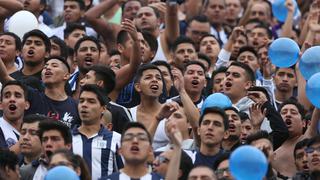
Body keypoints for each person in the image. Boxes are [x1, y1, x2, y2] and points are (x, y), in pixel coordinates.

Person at [72, 84, 122, 180]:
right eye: (81, 101)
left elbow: (123, 172)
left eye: (91, 101)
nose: (84, 105)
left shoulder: (116, 139)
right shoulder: (67, 138)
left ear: (103, 108)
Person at [79, 65, 133, 133]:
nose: (81, 81)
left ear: (99, 83)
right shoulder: (75, 106)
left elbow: (129, 138)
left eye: (87, 77)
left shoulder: (120, 112)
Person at [0, 81, 30, 153]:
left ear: (26, 105)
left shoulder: (31, 130)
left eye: (17, 96)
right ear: (0, 105)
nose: (12, 99)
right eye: (7, 96)